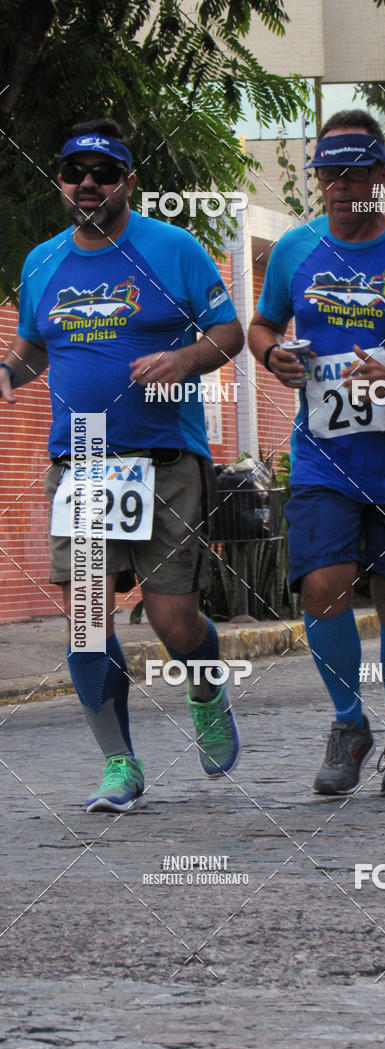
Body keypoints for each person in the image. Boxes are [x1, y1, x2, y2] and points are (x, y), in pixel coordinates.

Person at [0, 119, 244, 812]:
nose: (87, 183)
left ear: (127, 182)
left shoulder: (174, 249)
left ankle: (205, 686)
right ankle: (119, 763)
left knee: (174, 621)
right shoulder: (42, 261)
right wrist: (9, 372)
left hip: (165, 461)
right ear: (60, 180)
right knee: (84, 620)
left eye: (103, 173)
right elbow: (31, 345)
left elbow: (227, 332)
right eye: (74, 170)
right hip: (80, 464)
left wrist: (183, 359)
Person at [248, 110, 385, 797]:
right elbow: (262, 323)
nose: (338, 185)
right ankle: (347, 722)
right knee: (321, 587)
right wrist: (271, 354)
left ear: (382, 176)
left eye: (353, 172)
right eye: (327, 173)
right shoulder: (295, 250)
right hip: (324, 456)